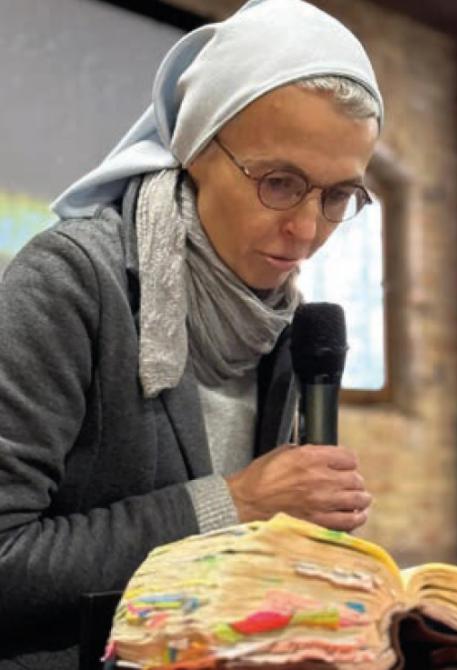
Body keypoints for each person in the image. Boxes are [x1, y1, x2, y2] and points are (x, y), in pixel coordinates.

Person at [0, 0, 382, 667]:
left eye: (337, 197)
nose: (306, 230)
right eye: (279, 183)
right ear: (197, 147)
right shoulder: (71, 282)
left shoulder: (284, 323)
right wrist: (234, 503)